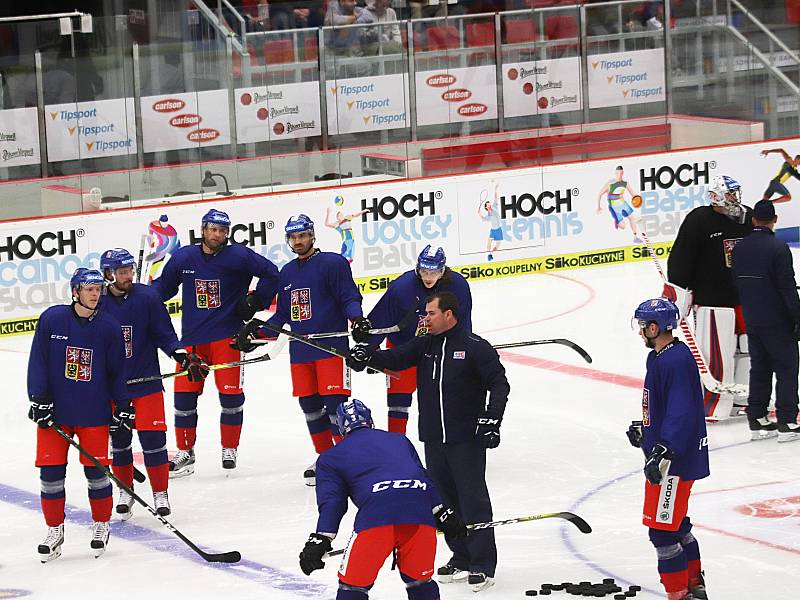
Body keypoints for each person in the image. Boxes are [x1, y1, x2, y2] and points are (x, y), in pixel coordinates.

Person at [347, 291, 510, 592]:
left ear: (449, 314)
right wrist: (365, 354)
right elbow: (394, 357)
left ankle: (482, 564)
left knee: (472, 501)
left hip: (465, 440)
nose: (425, 319)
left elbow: (499, 384)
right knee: (445, 501)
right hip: (434, 439)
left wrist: (492, 418)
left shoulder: (475, 347)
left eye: (431, 314)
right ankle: (460, 556)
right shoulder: (425, 344)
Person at [234, 214, 371, 485]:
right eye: (293, 237)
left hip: (330, 348)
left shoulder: (333, 263)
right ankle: (327, 458)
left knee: (336, 407)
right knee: (309, 405)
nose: (298, 241)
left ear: (312, 235)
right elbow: (281, 317)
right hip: (301, 351)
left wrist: (357, 319)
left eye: (302, 235)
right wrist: (255, 332)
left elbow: (349, 297)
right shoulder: (287, 272)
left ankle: (348, 458)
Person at [298, 398, 467, 600]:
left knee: (353, 589)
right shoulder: (399, 440)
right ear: (370, 421)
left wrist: (322, 538)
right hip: (419, 518)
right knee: (420, 583)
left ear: (342, 429)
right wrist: (442, 512)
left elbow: (333, 502)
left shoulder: (330, 457)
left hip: (375, 522)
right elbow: (422, 478)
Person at [152, 208, 279, 476]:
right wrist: (140, 297)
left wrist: (256, 300)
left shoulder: (239, 256)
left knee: (231, 397)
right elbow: (163, 288)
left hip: (227, 338)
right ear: (203, 230)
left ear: (227, 233)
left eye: (222, 231)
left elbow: (272, 273)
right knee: (184, 398)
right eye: (212, 229)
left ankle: (229, 447)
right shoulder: (184, 256)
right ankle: (185, 453)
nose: (217, 235)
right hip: (193, 341)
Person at [27, 269, 133, 562]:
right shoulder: (52, 319)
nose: (95, 294)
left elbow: (116, 374)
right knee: (50, 475)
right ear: (75, 291)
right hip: (56, 413)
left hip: (93, 412)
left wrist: (123, 405)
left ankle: (101, 524)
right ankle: (54, 530)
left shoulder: (109, 327)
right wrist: (38, 399)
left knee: (96, 475)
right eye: (88, 289)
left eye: (98, 289)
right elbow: (38, 361)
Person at [99, 248, 209, 519]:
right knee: (120, 442)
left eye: (129, 270)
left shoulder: (147, 297)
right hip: (113, 389)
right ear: (107, 274)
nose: (128, 276)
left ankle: (161, 492)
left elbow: (166, 336)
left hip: (146, 385)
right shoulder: (97, 302)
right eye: (122, 272)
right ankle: (125, 490)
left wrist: (183, 357)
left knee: (154, 442)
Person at [628, 298, 709, 600]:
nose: (640, 332)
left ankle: (679, 594)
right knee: (676, 524)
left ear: (654, 327)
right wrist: (647, 428)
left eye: (642, 326)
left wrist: (663, 448)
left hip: (672, 463)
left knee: (662, 532)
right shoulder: (664, 356)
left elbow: (682, 410)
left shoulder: (673, 361)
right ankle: (694, 586)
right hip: (671, 454)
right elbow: (667, 406)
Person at [665, 174, 753, 420]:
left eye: (735, 192)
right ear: (715, 196)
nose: (735, 198)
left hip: (747, 298)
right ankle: (714, 404)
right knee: (717, 354)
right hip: (713, 300)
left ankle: (744, 399)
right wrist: (678, 294)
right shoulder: (699, 220)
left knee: (749, 351)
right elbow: (681, 261)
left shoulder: (747, 217)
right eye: (730, 193)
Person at [365, 245, 472, 434]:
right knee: (398, 402)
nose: (428, 277)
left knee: (441, 399)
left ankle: (447, 445)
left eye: (434, 272)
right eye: (424, 271)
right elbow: (381, 319)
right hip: (402, 348)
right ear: (417, 268)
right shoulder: (402, 287)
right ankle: (396, 448)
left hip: (439, 349)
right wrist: (369, 350)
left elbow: (463, 321)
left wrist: (464, 348)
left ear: (443, 270)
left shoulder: (458, 286)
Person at [731, 200, 800, 443]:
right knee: (787, 367)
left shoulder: (739, 248)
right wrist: (797, 317)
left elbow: (736, 281)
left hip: (753, 317)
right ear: (775, 220)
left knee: (759, 368)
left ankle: (757, 417)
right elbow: (787, 288)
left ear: (753, 221)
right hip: (777, 320)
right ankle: (787, 421)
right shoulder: (778, 247)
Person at [596, 165, 643, 244]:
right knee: (623, 227)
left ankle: (635, 237)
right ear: (615, 173)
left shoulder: (625, 183)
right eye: (617, 173)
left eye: (621, 173)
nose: (619, 174)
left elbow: (633, 194)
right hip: (614, 206)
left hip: (622, 203)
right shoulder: (610, 183)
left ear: (623, 173)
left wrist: (638, 198)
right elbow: (599, 194)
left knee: (632, 218)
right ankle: (617, 222)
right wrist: (598, 206)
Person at [478, 183, 503, 261]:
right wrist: (479, 213)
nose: (489, 203)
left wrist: (495, 189)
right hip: (493, 230)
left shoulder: (495, 206)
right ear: (486, 207)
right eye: (487, 204)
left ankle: (491, 253)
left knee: (498, 245)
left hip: (499, 229)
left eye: (489, 203)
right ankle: (489, 254)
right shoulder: (488, 216)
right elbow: (482, 219)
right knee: (489, 242)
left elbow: (495, 197)